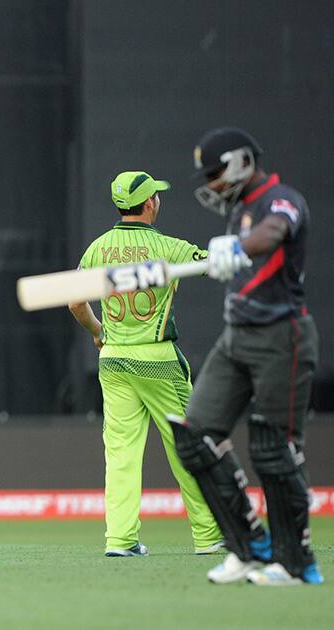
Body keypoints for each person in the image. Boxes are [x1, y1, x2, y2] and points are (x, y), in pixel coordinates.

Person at [168, 127, 323, 585]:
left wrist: (237, 247)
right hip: (237, 336)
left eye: (216, 173)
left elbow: (273, 234)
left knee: (275, 448)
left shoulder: (281, 200)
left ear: (240, 162)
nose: (212, 184)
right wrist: (232, 245)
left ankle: (296, 564)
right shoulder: (239, 213)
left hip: (283, 336)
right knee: (194, 434)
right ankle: (248, 546)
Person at [69, 171, 223, 557]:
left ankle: (120, 540)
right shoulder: (169, 247)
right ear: (150, 203)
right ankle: (208, 535)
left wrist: (98, 329)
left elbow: (75, 302)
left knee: (120, 452)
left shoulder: (97, 248)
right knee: (187, 447)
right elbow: (213, 265)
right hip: (158, 361)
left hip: (114, 360)